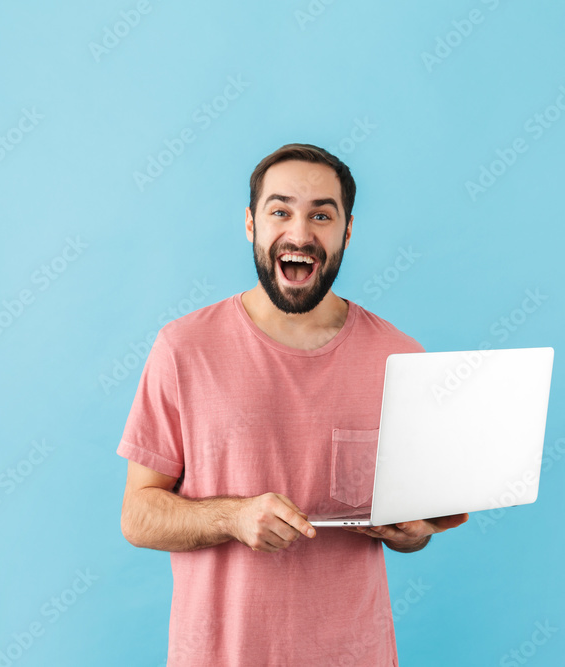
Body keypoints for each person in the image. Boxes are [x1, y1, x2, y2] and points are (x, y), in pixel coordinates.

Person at [117, 143, 469, 666]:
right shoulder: (183, 348)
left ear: (347, 231)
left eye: (321, 215)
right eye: (280, 210)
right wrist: (231, 518)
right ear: (250, 224)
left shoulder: (400, 357)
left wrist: (413, 532)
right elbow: (138, 516)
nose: (300, 233)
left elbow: (419, 529)